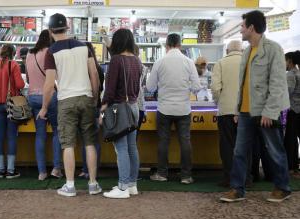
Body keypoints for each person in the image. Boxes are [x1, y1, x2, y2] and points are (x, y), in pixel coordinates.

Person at [220, 10, 291, 203]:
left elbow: (277, 83)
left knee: (275, 150)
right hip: (245, 112)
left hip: (265, 111)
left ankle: (282, 187)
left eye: (242, 26)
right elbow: (243, 84)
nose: (240, 30)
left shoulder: (273, 49)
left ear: (251, 28)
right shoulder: (246, 52)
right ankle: (237, 189)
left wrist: (270, 111)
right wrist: (237, 110)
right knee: (239, 151)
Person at [37, 13, 102, 197]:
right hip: (86, 97)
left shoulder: (51, 52)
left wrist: (43, 107)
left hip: (66, 100)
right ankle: (93, 184)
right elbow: (94, 75)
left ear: (50, 31)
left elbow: (49, 84)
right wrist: (95, 98)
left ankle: (70, 186)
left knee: (68, 144)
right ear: (67, 28)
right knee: (89, 142)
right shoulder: (85, 47)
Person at [147, 33, 201, 184]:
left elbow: (150, 87)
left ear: (166, 46)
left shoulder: (160, 62)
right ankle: (186, 176)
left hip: (164, 108)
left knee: (163, 141)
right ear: (180, 45)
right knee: (185, 141)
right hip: (184, 109)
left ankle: (162, 174)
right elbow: (197, 87)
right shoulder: (189, 62)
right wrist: (185, 87)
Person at [100, 29, 142, 199]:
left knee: (121, 149)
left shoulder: (116, 60)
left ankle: (122, 187)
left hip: (119, 109)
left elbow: (109, 90)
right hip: (133, 107)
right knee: (132, 148)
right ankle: (132, 185)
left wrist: (103, 107)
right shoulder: (137, 60)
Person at [211, 40, 254, 187]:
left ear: (227, 51)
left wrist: (219, 102)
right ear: (242, 50)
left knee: (227, 145)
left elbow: (215, 88)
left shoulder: (221, 63)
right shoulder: (249, 62)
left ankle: (229, 178)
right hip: (246, 110)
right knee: (245, 146)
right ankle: (246, 178)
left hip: (226, 111)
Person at [0, 44, 25, 179]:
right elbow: (20, 85)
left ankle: (0, 169)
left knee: (0, 136)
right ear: (13, 53)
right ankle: (11, 170)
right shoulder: (13, 65)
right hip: (11, 104)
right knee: (12, 136)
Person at [26, 29, 62, 181]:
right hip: (50, 97)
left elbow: (28, 79)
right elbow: (56, 76)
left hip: (33, 97)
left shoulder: (29, 54)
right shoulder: (51, 52)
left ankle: (41, 172)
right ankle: (56, 168)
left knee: (40, 135)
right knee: (56, 132)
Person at [78, 42, 104, 180]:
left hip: (82, 106)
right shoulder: (98, 69)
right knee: (94, 141)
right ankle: (94, 170)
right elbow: (100, 89)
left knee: (85, 141)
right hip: (96, 106)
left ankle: (85, 169)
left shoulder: (79, 69)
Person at [283, 51, 300, 176]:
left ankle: (291, 166)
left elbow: (288, 92)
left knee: (290, 139)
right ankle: (295, 166)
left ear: (290, 61)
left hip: (293, 110)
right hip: (298, 110)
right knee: (295, 138)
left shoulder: (291, 74)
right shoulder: (298, 73)